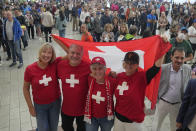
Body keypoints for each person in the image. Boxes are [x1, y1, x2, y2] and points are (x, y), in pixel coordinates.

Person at [113, 50, 165, 131]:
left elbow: (156, 68)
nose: (129, 65)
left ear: (137, 65)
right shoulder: (119, 76)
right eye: (127, 62)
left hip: (134, 123)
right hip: (118, 119)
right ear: (123, 63)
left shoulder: (141, 77)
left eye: (132, 63)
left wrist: (163, 48)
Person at [23, 44, 62, 131]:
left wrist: (59, 41)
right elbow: (25, 88)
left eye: (49, 53)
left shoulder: (55, 64)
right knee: (43, 128)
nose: (46, 55)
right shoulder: (30, 69)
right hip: (40, 106)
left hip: (55, 103)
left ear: (52, 55)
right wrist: (30, 107)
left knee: (53, 127)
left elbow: (70, 54)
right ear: (39, 52)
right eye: (44, 52)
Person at [152, 48, 192, 131]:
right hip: (163, 102)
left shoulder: (188, 69)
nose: (179, 60)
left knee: (174, 127)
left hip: (178, 104)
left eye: (182, 58)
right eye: (177, 57)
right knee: (156, 125)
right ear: (171, 57)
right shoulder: (163, 68)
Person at [57, 44, 90, 131]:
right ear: (68, 53)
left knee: (82, 129)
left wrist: (111, 73)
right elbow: (50, 65)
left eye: (78, 53)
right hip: (66, 108)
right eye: (72, 53)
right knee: (66, 127)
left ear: (82, 55)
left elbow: (100, 71)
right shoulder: (60, 65)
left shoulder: (88, 66)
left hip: (83, 110)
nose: (75, 56)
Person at [84, 57, 116, 131]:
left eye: (100, 68)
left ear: (105, 69)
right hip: (91, 117)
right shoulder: (89, 79)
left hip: (107, 118)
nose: (97, 71)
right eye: (94, 69)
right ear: (91, 70)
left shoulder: (112, 81)